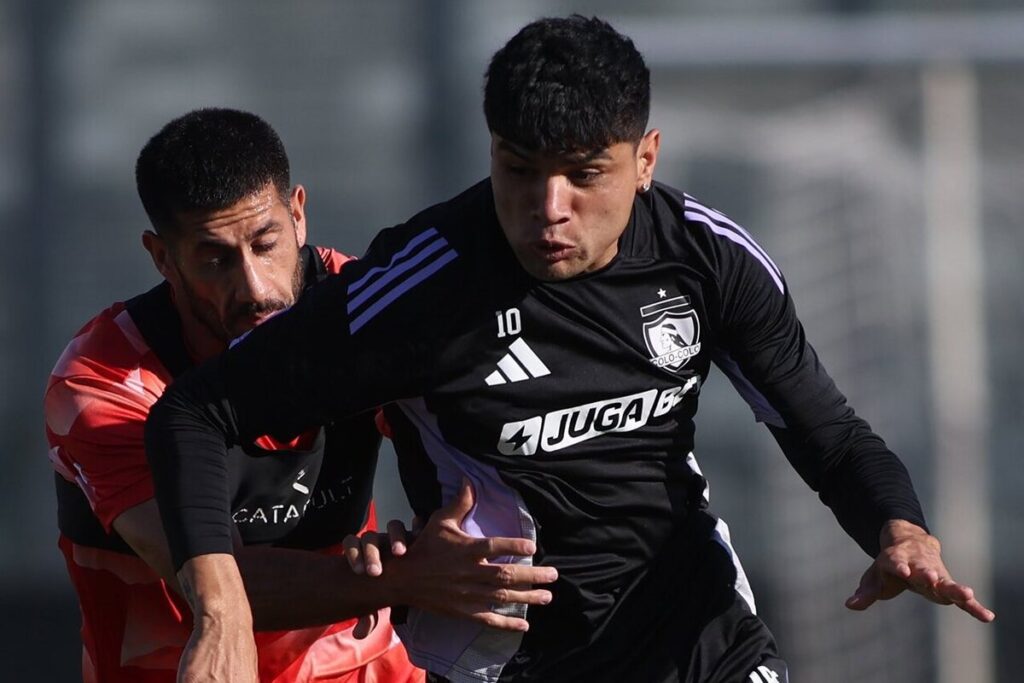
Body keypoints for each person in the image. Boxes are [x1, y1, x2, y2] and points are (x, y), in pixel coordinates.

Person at [145, 17, 995, 683]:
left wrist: (900, 527)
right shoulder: (419, 286)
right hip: (506, 656)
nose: (548, 206)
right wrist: (220, 612)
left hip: (694, 634)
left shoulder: (706, 257)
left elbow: (828, 432)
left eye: (584, 173)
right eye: (519, 170)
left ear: (644, 160)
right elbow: (195, 411)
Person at [44, 108, 555, 683]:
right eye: (215, 260)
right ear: (163, 257)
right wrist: (401, 580)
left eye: (266, 243)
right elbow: (219, 583)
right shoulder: (100, 383)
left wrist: (422, 543)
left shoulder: (368, 308)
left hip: (365, 665)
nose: (255, 288)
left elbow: (479, 454)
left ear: (299, 216)